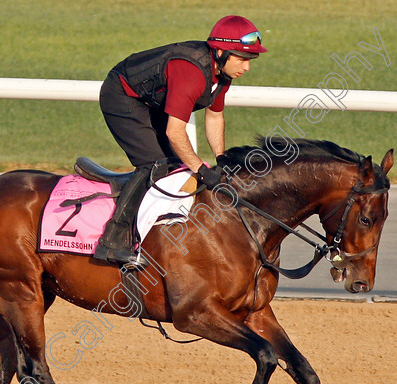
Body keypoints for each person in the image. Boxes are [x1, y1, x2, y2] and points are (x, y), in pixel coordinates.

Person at [93, 15, 267, 268]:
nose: (246, 67)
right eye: (242, 58)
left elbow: (215, 116)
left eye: (250, 59)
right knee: (155, 165)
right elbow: (175, 132)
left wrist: (221, 159)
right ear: (219, 52)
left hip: (151, 101)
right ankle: (114, 241)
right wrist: (201, 169)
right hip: (122, 95)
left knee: (176, 166)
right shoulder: (192, 72)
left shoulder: (223, 74)